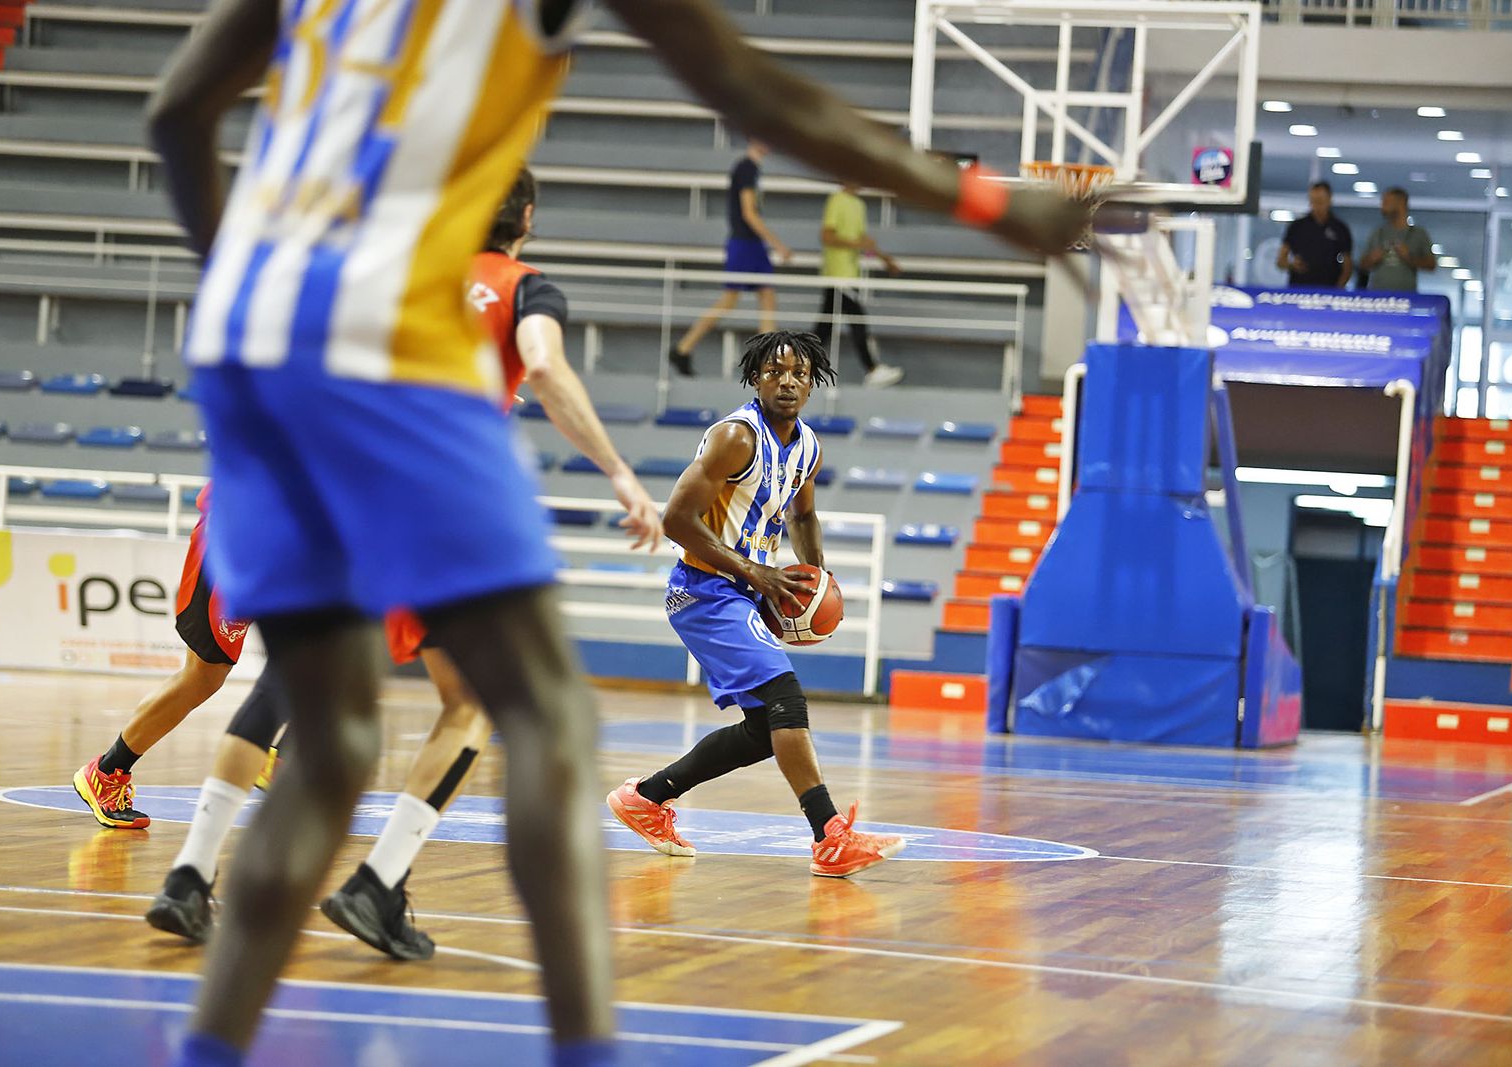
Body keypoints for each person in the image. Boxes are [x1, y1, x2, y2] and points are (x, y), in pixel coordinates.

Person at [147, 0, 1085, 1061]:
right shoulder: (555, 285)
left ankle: (211, 1038)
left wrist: (255, 284)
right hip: (393, 351)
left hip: (243, 340)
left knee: (328, 745)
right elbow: (758, 91)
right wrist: (983, 199)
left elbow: (177, 113)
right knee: (547, 718)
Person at [144, 169, 664, 960]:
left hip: (328, 489)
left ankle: (186, 877)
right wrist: (620, 473)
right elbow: (548, 369)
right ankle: (378, 883)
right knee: (471, 701)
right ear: (526, 221)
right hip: (426, 512)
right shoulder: (527, 288)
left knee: (282, 686)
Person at [608, 330, 904, 877]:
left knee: (763, 730)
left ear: (814, 383)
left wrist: (816, 578)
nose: (787, 382)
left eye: (799, 374)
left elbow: (803, 515)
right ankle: (830, 837)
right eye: (774, 371)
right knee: (787, 697)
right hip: (702, 590)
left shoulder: (808, 446)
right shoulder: (735, 438)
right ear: (755, 379)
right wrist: (754, 571)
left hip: (743, 590)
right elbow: (675, 520)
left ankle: (645, 799)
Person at [71, 484, 258, 830]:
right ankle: (107, 771)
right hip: (239, 539)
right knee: (203, 675)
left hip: (280, 545)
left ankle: (277, 754)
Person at [668, 140, 793, 377]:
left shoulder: (753, 169)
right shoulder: (745, 168)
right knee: (730, 300)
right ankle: (683, 348)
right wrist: (778, 244)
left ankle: (768, 359)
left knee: (767, 297)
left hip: (753, 243)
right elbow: (748, 213)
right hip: (745, 243)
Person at [814, 182, 903, 386]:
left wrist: (884, 258)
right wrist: (857, 245)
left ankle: (796, 363)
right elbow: (827, 236)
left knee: (824, 329)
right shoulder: (837, 200)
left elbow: (862, 240)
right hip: (837, 274)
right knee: (856, 320)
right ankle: (872, 368)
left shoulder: (858, 205)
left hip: (850, 274)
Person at [1276, 181, 1352, 289]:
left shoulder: (1340, 228)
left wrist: (1338, 290)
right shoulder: (1297, 226)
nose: (1317, 205)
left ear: (1329, 200)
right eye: (1314, 201)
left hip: (1328, 288)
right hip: (1299, 288)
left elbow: (1347, 265)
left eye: (1321, 200)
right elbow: (1281, 260)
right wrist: (1292, 265)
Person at [1359, 187, 1436, 292]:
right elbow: (1362, 265)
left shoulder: (1418, 234)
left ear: (1400, 203)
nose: (1382, 206)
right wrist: (1372, 259)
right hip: (1378, 296)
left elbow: (1431, 265)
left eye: (1386, 202)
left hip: (1406, 297)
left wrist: (1409, 258)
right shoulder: (1377, 233)